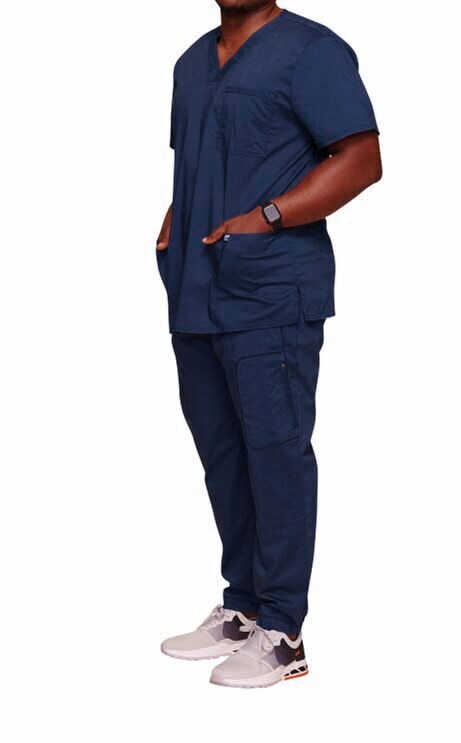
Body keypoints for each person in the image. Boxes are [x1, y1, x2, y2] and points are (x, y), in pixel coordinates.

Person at [156, 1, 381, 689]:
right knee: (222, 456)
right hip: (195, 290)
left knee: (275, 454)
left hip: (270, 295)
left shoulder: (311, 52)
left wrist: (270, 216)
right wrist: (171, 228)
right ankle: (245, 606)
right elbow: (197, 165)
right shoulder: (190, 64)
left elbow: (362, 159)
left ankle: (283, 631)